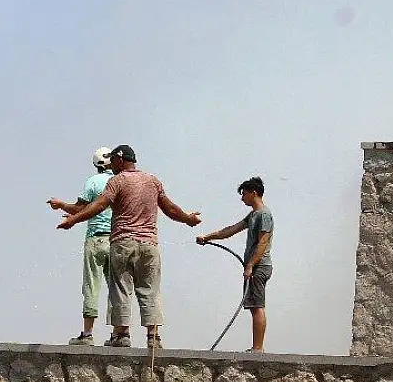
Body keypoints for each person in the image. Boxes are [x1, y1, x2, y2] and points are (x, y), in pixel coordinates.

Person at [58, 144, 201, 349]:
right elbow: (169, 208)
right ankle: (153, 337)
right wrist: (188, 219)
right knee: (150, 289)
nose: (111, 165)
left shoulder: (118, 181)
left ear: (120, 159)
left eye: (113, 160)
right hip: (149, 245)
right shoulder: (152, 181)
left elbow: (98, 205)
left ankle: (122, 335)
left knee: (121, 289)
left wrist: (73, 220)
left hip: (123, 243)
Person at [196, 177, 274, 352]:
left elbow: (262, 243)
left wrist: (250, 265)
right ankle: (257, 347)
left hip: (259, 266)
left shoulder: (264, 215)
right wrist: (207, 237)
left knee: (257, 305)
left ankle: (258, 348)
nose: (242, 198)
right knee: (254, 306)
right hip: (254, 266)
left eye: (244, 194)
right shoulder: (253, 215)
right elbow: (231, 230)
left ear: (253, 193)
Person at [47, 147, 114, 345]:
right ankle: (120, 333)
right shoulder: (119, 182)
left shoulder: (93, 182)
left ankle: (87, 334)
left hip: (95, 239)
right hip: (116, 240)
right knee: (117, 288)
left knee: (91, 286)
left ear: (96, 165)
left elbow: (80, 209)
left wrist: (61, 205)